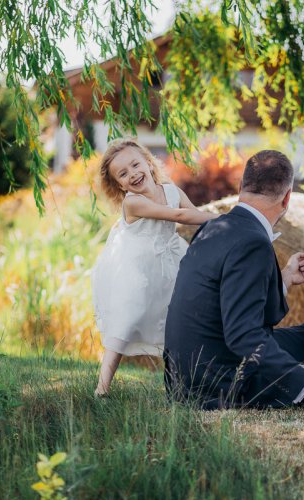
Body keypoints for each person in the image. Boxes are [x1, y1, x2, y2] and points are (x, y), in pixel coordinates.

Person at [164, 150, 304, 410]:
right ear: (287, 197)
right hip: (220, 382)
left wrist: (285, 278)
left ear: (241, 186)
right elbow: (244, 335)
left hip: (188, 371)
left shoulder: (215, 228)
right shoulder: (253, 241)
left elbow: (246, 309)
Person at [91, 138, 218, 396]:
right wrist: (224, 217)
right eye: (123, 174)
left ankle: (181, 380)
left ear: (149, 163)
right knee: (128, 317)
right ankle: (102, 387)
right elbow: (179, 216)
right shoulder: (132, 202)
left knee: (174, 316)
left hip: (169, 257)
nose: (133, 175)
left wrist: (220, 229)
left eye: (136, 165)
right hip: (136, 263)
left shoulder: (171, 191)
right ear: (118, 185)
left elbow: (193, 215)